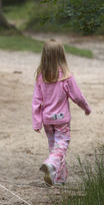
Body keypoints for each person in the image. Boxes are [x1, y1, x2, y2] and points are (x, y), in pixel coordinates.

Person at [32, 39, 91, 186]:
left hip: (47, 120)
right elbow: (77, 96)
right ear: (61, 55)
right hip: (62, 120)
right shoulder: (66, 76)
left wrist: (37, 121)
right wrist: (86, 108)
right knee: (61, 145)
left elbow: (36, 100)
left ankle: (57, 178)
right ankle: (51, 163)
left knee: (54, 147)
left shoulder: (41, 76)